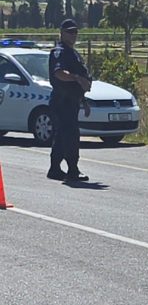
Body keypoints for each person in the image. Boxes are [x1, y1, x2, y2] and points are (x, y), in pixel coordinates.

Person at [47, 18, 92, 183]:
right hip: (61, 101)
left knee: (61, 135)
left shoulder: (73, 53)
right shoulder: (59, 52)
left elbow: (80, 79)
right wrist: (77, 79)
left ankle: (54, 168)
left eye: (75, 32)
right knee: (71, 135)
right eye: (69, 32)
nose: (73, 35)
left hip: (71, 100)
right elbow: (58, 73)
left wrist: (84, 100)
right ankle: (73, 169)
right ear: (62, 33)